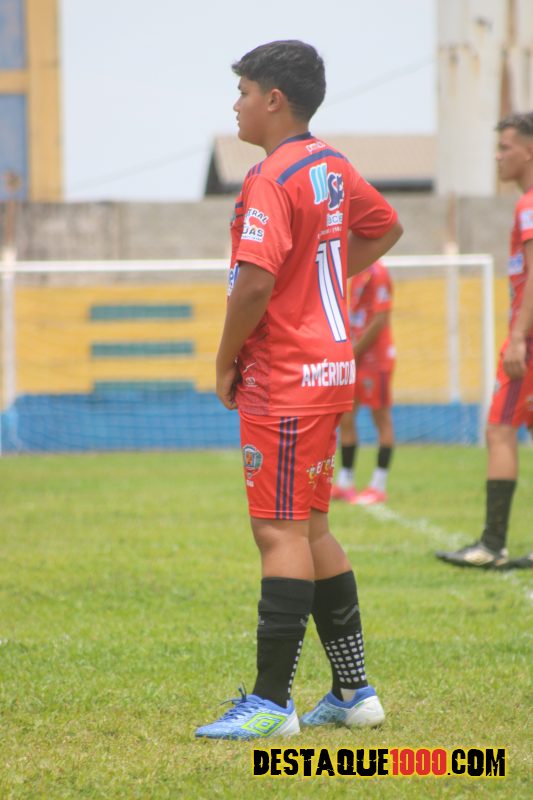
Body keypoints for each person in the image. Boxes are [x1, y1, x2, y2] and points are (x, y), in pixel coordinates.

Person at [195, 40, 403, 740]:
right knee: (311, 528)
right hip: (329, 368)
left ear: (274, 99)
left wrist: (225, 359)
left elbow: (254, 283)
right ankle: (352, 692)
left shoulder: (271, 176)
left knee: (277, 531)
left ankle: (269, 703)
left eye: (244, 91)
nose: (236, 104)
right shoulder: (330, 164)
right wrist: (321, 282)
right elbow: (385, 226)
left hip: (283, 373)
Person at [436, 111, 533, 570]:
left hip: (527, 340)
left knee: (498, 429)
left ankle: (492, 545)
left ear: (529, 151)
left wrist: (517, 338)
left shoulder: (529, 203)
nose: (497, 157)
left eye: (505, 147)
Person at [331, 260, 395, 505]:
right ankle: (346, 481)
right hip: (356, 357)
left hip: (376, 359)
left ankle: (379, 485)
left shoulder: (379, 273)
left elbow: (380, 319)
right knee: (346, 416)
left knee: (381, 418)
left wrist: (354, 350)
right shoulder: (359, 272)